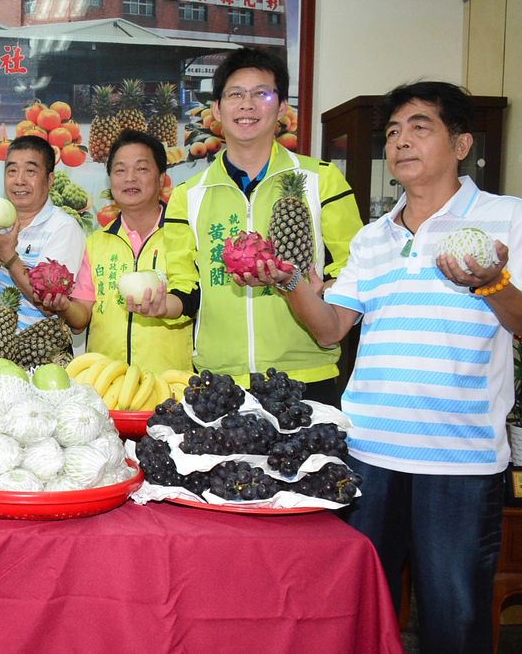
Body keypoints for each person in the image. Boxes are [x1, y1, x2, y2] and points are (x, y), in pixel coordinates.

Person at [266, 81, 521, 653]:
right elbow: (331, 327)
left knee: (453, 618)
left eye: (419, 127)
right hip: (371, 454)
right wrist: (288, 282)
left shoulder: (506, 219)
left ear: (462, 145)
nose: (401, 142)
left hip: (459, 459)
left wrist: (493, 282)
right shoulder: (372, 238)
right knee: (364, 611)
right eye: (393, 133)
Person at [141, 47, 362, 403]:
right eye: (235, 94)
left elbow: (356, 272)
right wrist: (160, 307)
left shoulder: (321, 180)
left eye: (262, 93)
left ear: (282, 107)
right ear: (216, 109)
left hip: (307, 377)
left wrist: (320, 289)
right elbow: (188, 289)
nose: (247, 105)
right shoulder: (188, 195)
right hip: (219, 382)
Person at [44, 131, 192, 372]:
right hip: (106, 382)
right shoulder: (96, 242)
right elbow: (81, 319)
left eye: (142, 169)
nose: (130, 178)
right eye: (120, 170)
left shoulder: (184, 235)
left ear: (162, 178)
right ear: (110, 180)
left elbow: (193, 302)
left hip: (170, 383)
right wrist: (63, 306)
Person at [0, 134, 86, 330]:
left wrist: (8, 255)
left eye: (30, 171)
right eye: (12, 171)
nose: (19, 180)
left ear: (50, 179)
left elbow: (47, 304)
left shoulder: (63, 228)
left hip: (38, 350)